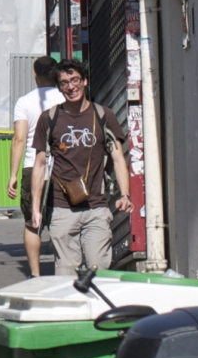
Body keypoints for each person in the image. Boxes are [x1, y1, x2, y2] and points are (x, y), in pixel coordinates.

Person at [32, 61, 131, 273]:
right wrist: (36, 208)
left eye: (75, 80)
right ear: (59, 87)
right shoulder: (49, 118)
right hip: (61, 207)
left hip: (96, 206)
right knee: (65, 272)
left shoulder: (104, 116)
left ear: (84, 81)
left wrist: (125, 194)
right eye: (64, 83)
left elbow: (118, 158)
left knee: (99, 269)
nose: (70, 87)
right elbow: (39, 165)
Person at [9, 56, 67, 278]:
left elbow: (19, 139)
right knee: (62, 219)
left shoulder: (24, 102)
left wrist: (13, 175)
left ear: (35, 74)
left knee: (32, 222)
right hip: (62, 166)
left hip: (33, 166)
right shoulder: (65, 97)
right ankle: (63, 271)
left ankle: (35, 274)